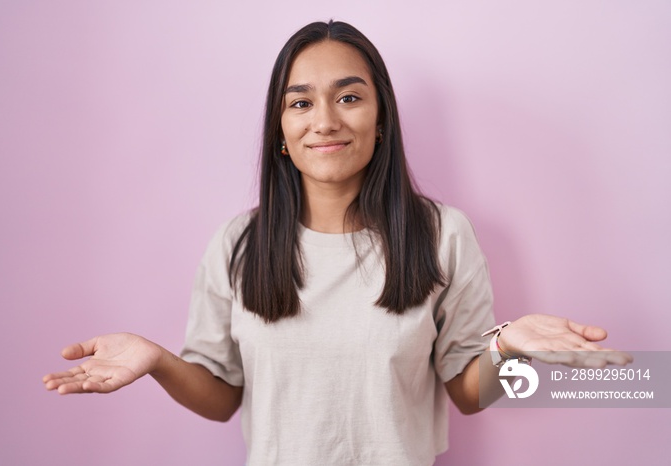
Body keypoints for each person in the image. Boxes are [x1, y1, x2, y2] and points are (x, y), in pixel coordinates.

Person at [43, 20, 631, 466]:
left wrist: (508, 349)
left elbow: (467, 392)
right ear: (281, 130)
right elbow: (223, 398)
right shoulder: (237, 244)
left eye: (349, 97)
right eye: (300, 102)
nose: (324, 120)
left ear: (381, 120)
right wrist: (157, 360)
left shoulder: (443, 235)